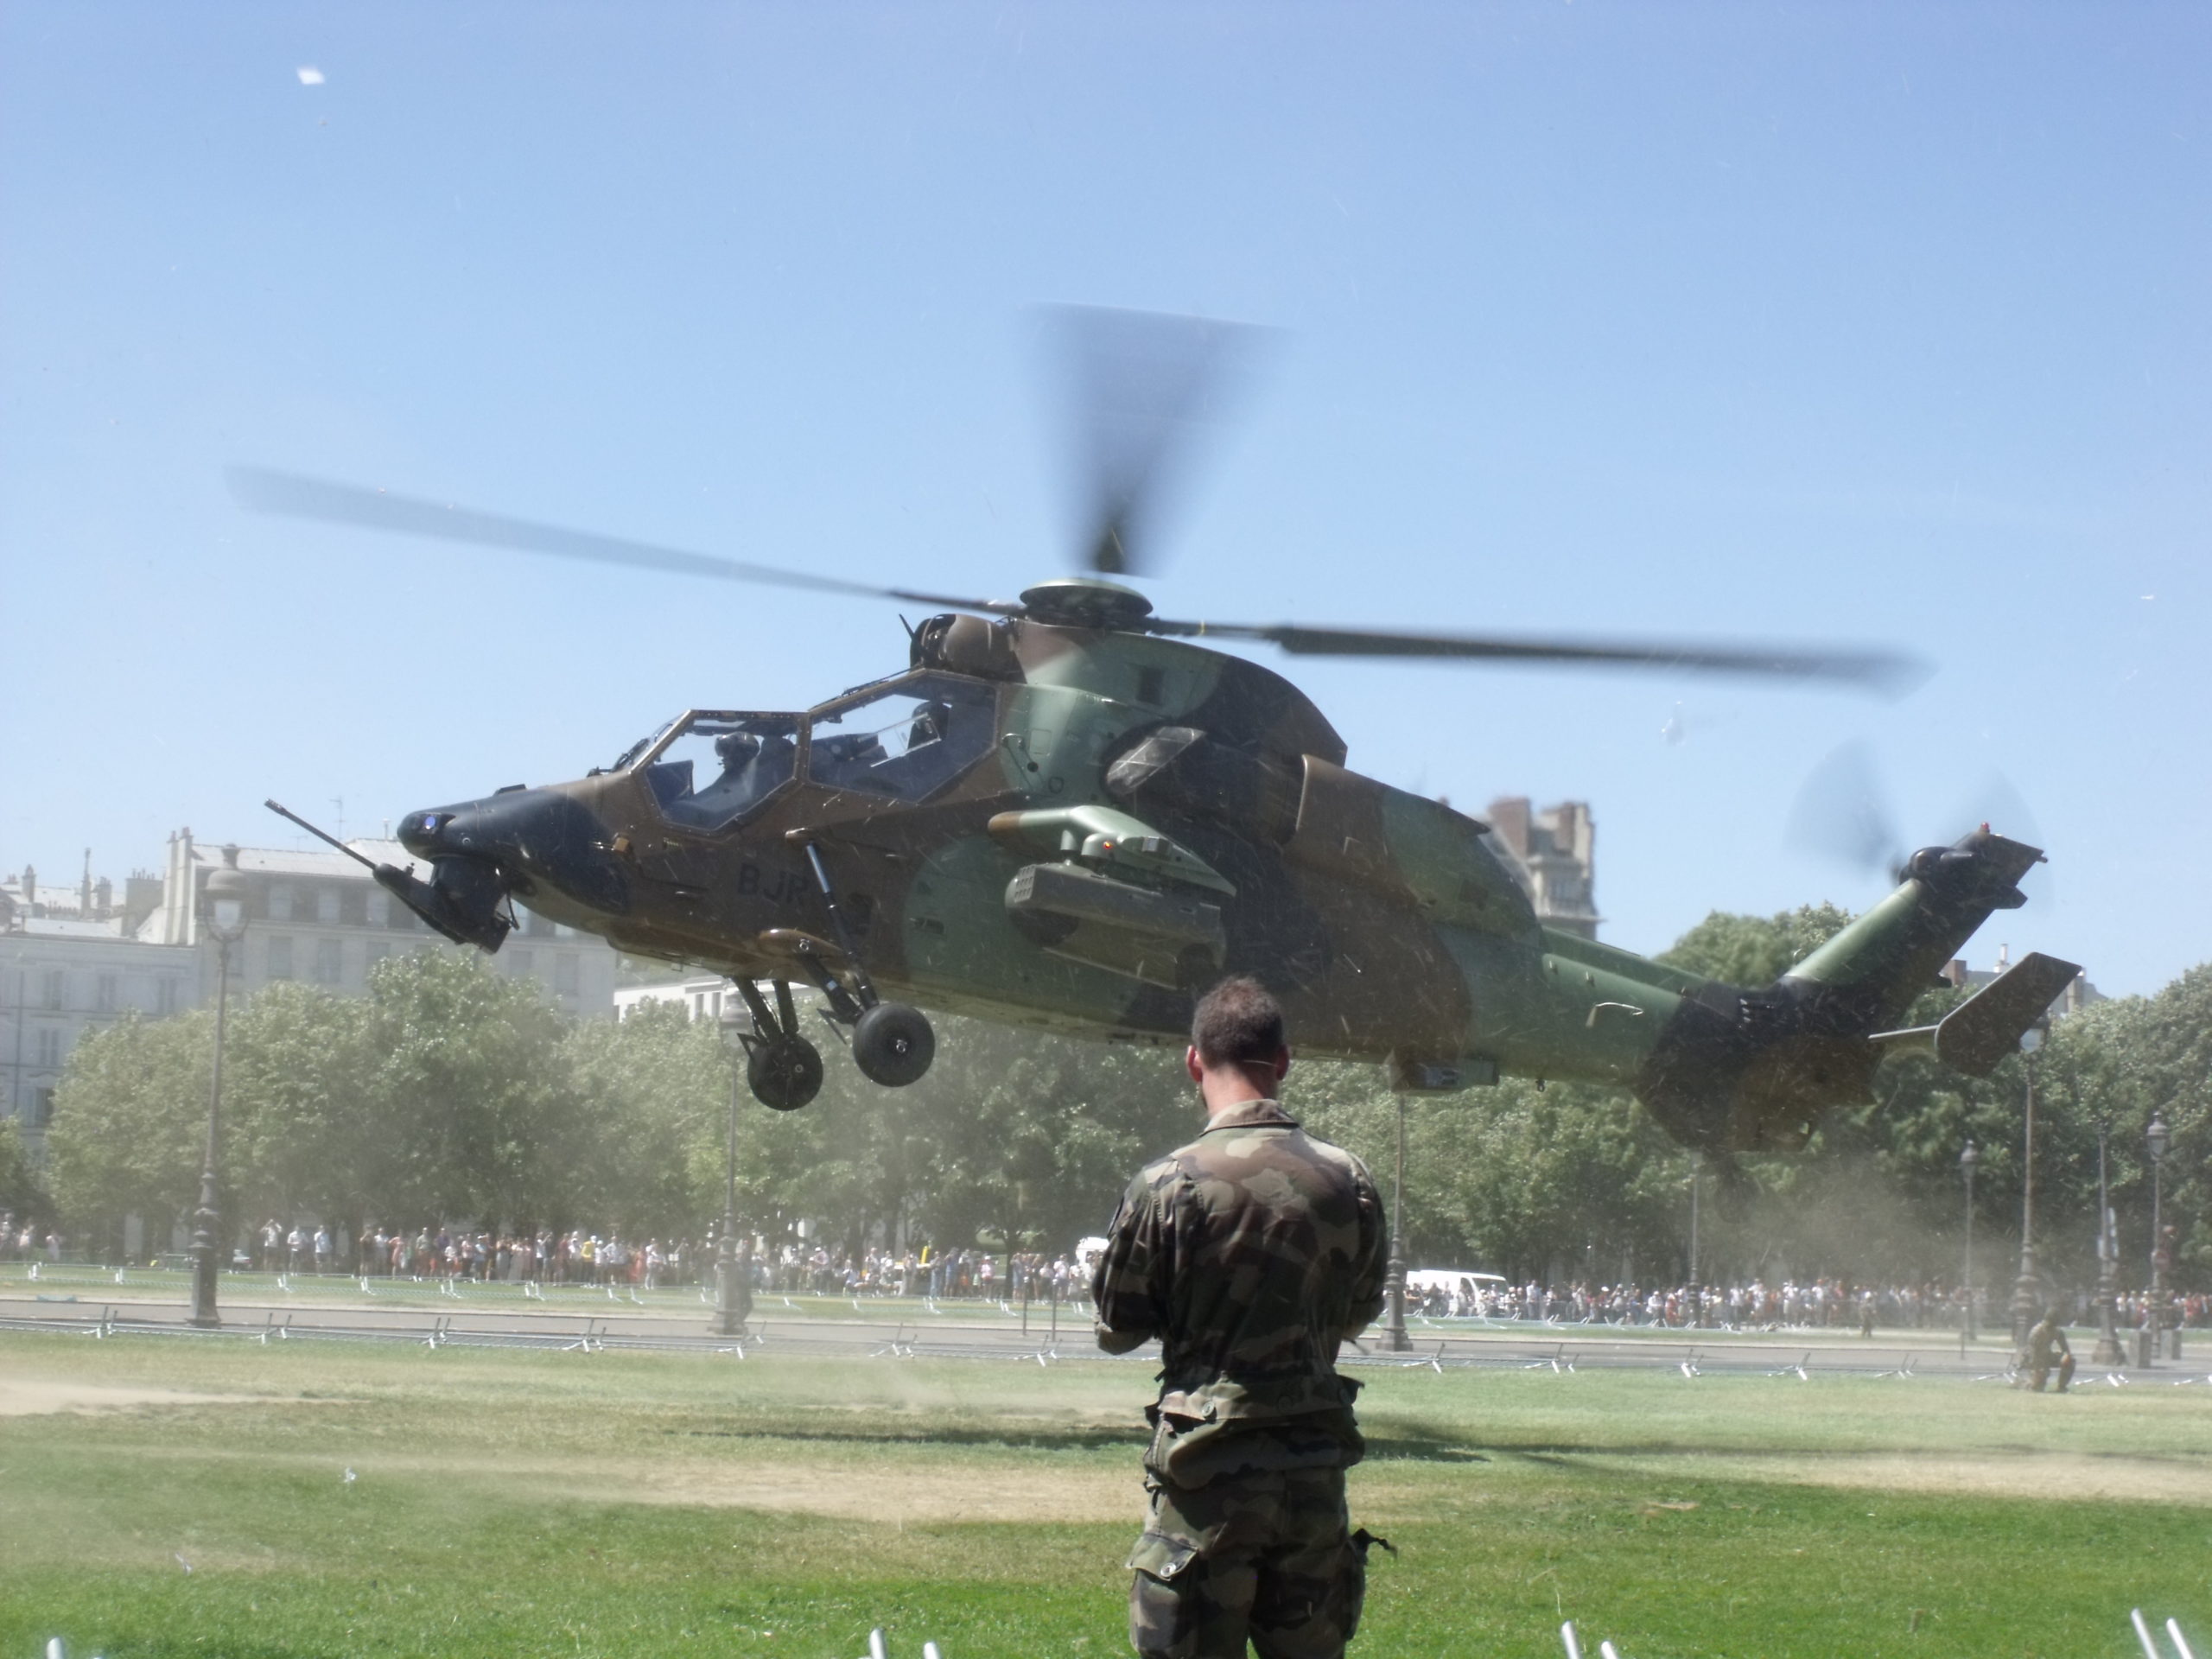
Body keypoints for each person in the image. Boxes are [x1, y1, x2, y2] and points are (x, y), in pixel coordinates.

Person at [1092, 976, 1387, 1659]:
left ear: (1194, 1061)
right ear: (1282, 1061)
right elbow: (1357, 1314)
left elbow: (1117, 1329)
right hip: (1313, 1476)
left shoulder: (1167, 1184)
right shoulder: (1349, 1180)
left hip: (1207, 1482)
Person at [2019, 1308, 2075, 1392]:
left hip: (2047, 1356)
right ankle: (2026, 1383)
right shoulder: (2036, 1332)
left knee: (2070, 1361)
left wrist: (2066, 1356)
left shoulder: (2057, 1331)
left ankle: (2061, 1387)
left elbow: (2066, 1349)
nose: (2051, 1328)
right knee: (2038, 1388)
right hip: (2033, 1359)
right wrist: (2040, 1371)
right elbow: (2032, 1353)